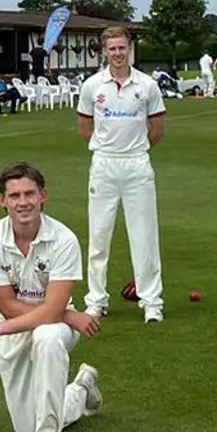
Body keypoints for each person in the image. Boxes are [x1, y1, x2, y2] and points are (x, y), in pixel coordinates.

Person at [0, 161, 104, 432]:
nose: (23, 202)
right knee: (24, 430)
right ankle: (81, 390)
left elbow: (51, 309)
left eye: (30, 193)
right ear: (2, 201)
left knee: (48, 336)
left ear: (44, 196)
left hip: (55, 328)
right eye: (14, 195)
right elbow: (9, 306)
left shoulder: (64, 239)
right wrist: (68, 313)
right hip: (21, 324)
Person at [76, 24, 168, 322]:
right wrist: (108, 149)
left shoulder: (147, 85)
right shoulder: (92, 86)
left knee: (144, 235)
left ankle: (151, 301)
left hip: (137, 164)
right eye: (112, 48)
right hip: (104, 164)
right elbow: (85, 128)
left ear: (130, 49)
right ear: (104, 51)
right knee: (99, 235)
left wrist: (135, 150)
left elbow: (157, 130)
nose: (117, 53)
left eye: (122, 48)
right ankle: (96, 301)